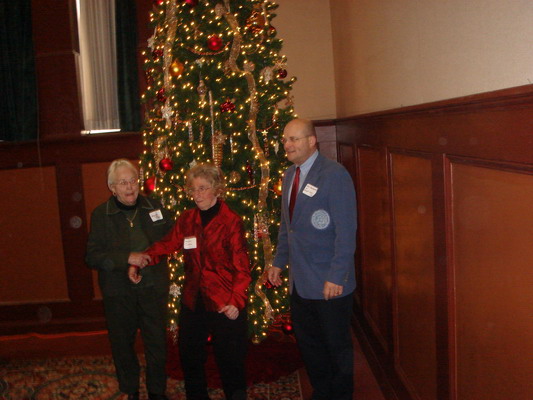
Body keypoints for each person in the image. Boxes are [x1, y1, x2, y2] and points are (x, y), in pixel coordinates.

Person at [129, 163, 251, 400]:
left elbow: (242, 268)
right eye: (193, 189)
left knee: (230, 360)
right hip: (193, 299)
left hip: (224, 300)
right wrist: (142, 260)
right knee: (190, 356)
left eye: (203, 188)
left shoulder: (231, 221)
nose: (197, 195)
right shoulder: (188, 219)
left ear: (216, 189)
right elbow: (168, 244)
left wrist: (236, 301)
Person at [267, 118, 357, 400]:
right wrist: (278, 261)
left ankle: (340, 395)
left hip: (329, 282)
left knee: (336, 347)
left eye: (293, 139)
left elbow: (346, 231)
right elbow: (288, 226)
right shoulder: (289, 175)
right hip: (300, 282)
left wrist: (337, 275)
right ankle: (322, 391)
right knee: (310, 345)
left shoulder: (334, 175)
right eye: (285, 139)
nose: (287, 144)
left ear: (311, 141)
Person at [86, 159, 173, 400]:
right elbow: (92, 256)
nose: (130, 187)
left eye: (133, 181)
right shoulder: (101, 214)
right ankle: (131, 390)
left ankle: (157, 391)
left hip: (152, 287)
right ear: (112, 187)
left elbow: (169, 241)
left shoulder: (154, 207)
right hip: (118, 292)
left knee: (157, 343)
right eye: (123, 182)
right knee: (122, 344)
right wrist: (127, 258)